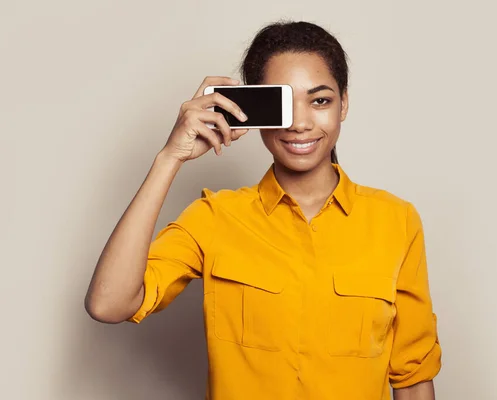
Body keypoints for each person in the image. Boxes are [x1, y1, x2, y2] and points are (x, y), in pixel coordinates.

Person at [85, 20, 442, 400]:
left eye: (319, 100)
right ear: (253, 110)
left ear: (345, 104)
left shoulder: (396, 221)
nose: (301, 123)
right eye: (282, 105)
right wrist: (169, 158)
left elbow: (413, 375)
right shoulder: (214, 217)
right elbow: (109, 303)